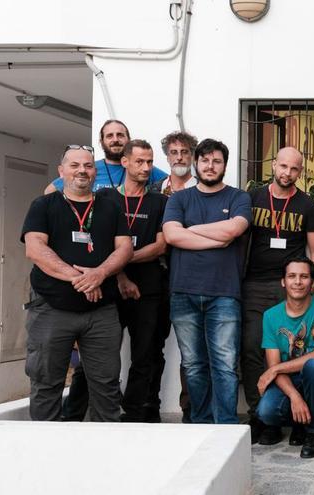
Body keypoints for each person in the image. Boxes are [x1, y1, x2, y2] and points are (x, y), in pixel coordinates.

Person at [21, 144, 133, 421]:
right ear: (61, 171)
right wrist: (83, 279)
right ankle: (47, 443)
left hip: (101, 312)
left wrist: (100, 274)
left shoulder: (111, 207)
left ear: (95, 172)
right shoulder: (43, 205)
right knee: (46, 382)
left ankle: (104, 443)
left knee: (106, 386)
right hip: (51, 309)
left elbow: (125, 248)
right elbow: (35, 249)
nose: (82, 170)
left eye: (88, 165)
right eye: (74, 165)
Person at [162, 138, 252, 424]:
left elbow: (233, 230)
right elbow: (172, 235)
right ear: (196, 163)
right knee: (193, 365)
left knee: (225, 364)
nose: (210, 166)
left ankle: (226, 426)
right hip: (183, 292)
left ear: (224, 165)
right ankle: (200, 424)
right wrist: (216, 238)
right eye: (205, 160)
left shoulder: (238, 198)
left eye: (216, 161)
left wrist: (191, 230)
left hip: (224, 293)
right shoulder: (178, 199)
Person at [243, 146, 314, 443]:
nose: (287, 173)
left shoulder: (307, 205)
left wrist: (311, 285)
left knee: (293, 350)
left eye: (294, 169)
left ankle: (293, 416)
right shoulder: (253, 198)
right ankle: (261, 416)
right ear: (274, 164)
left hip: (291, 288)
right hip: (254, 285)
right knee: (253, 349)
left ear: (300, 171)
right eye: (283, 166)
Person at [99, 140, 168, 422]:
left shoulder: (160, 202)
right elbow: (100, 244)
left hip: (148, 289)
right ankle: (95, 409)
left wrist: (123, 257)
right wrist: (120, 274)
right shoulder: (105, 198)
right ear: (125, 162)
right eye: (140, 161)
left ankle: (134, 413)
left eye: (149, 162)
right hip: (110, 287)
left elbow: (160, 246)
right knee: (102, 353)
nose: (146, 167)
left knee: (144, 354)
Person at [256, 257, 314, 458]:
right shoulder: (270, 316)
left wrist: (275, 369)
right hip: (289, 380)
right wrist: (294, 396)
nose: (297, 282)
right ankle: (298, 423)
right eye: (292, 276)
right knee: (266, 412)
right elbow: (274, 365)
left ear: (313, 282)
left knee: (313, 365)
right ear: (283, 281)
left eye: (304, 276)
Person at [151, 130, 199, 423]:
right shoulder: (155, 190)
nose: (179, 157)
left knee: (191, 352)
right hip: (155, 278)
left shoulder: (203, 189)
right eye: (174, 152)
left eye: (184, 152)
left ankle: (190, 412)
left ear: (192, 156)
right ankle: (148, 410)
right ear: (167, 157)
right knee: (151, 347)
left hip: (190, 277)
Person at [45, 120, 167, 193]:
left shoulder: (144, 168)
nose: (115, 140)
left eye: (120, 135)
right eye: (109, 136)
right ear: (101, 142)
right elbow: (50, 191)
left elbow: (172, 183)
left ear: (128, 139)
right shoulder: (89, 169)